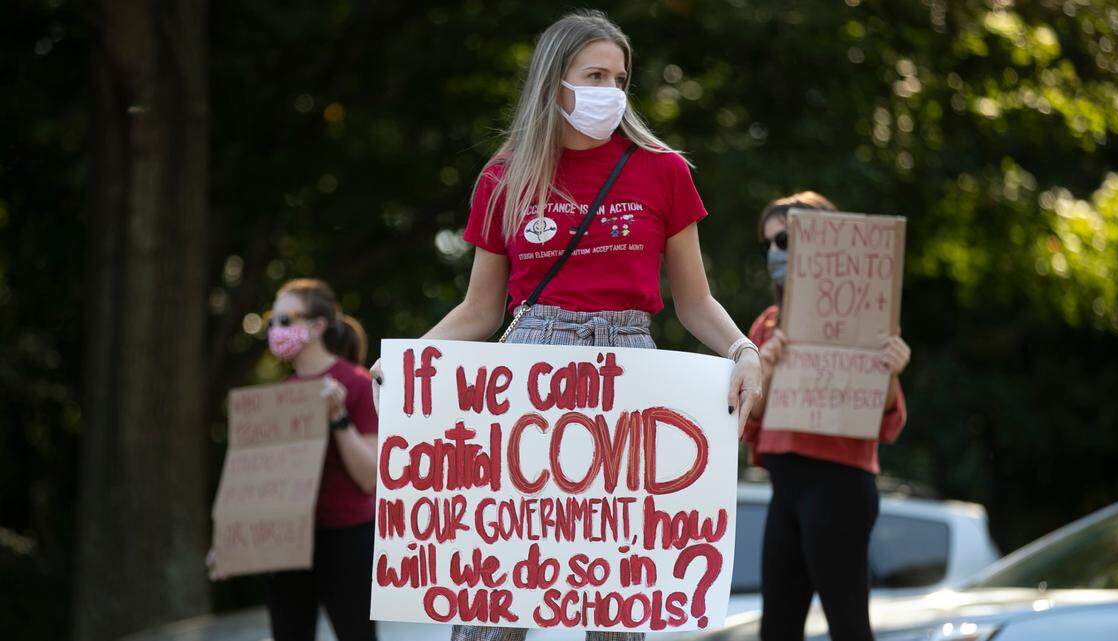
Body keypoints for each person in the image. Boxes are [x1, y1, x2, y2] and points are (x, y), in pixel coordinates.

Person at [372, 10, 764, 641]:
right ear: (555, 83)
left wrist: (744, 350)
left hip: (631, 376)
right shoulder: (506, 177)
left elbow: (695, 302)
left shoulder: (662, 171)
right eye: (594, 74)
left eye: (620, 76)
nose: (610, 90)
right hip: (529, 377)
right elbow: (480, 309)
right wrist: (412, 361)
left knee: (617, 607)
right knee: (495, 604)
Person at [741, 192, 911, 641]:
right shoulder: (768, 325)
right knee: (776, 629)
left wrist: (889, 372)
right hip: (785, 486)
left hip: (840, 485)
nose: (776, 254)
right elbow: (747, 423)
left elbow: (887, 424)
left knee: (848, 626)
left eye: (786, 241)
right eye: (768, 246)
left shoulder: (865, 319)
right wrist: (768, 371)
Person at [213, 278, 379, 641]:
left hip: (347, 538)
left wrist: (338, 418)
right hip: (287, 543)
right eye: (272, 320)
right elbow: (257, 482)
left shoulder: (357, 385)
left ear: (317, 326)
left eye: (285, 320)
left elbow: (370, 478)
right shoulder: (282, 397)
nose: (275, 329)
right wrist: (231, 542)